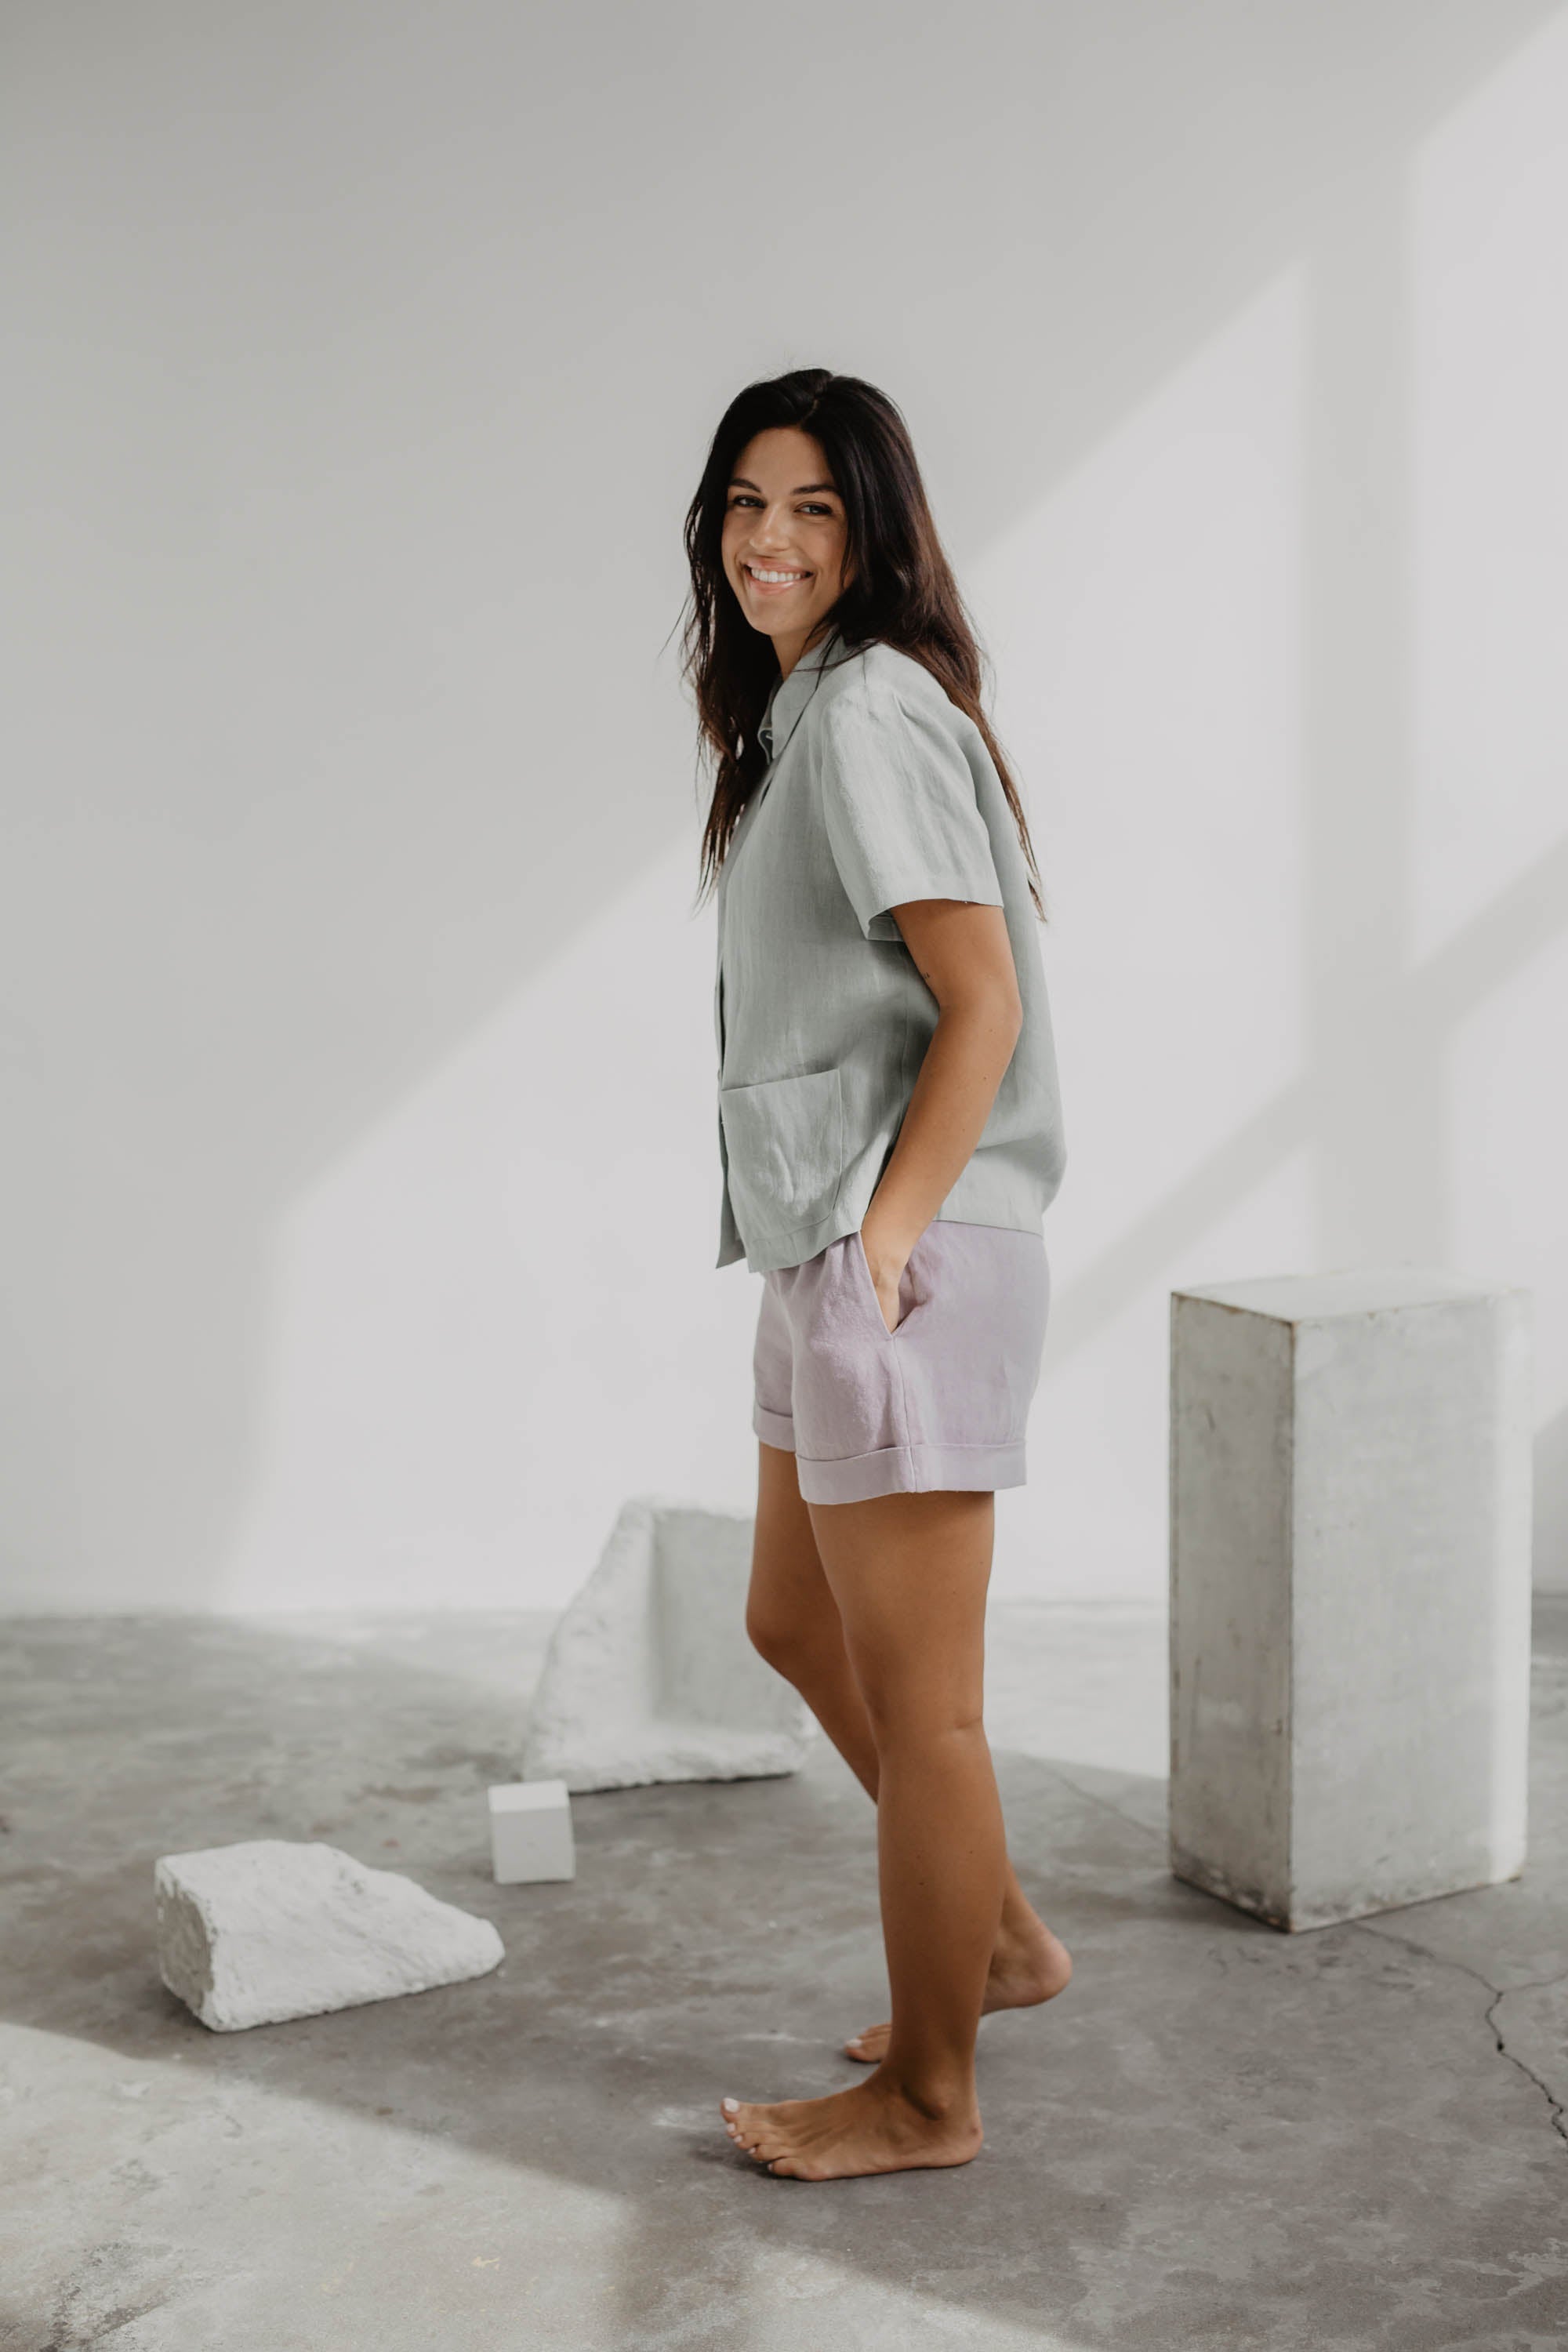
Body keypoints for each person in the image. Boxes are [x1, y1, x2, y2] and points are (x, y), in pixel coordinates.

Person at [682, 368, 1071, 2182]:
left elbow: (979, 1001)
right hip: (823, 1240)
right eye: (747, 503)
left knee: (930, 1712)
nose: (771, 539)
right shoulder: (803, 717)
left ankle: (928, 2097)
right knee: (790, 1619)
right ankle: (999, 1942)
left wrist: (889, 1240)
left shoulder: (865, 713)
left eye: (814, 508)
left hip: (894, 1248)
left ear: (874, 531)